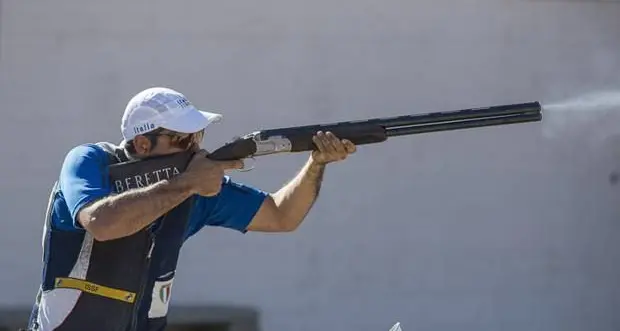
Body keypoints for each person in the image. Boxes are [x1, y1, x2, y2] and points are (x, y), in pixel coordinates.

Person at [26, 87, 356, 331]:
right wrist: (186, 184)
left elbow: (282, 215)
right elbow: (101, 223)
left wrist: (316, 163)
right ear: (143, 144)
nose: (197, 149)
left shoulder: (196, 187)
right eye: (185, 141)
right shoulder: (91, 161)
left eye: (198, 136)